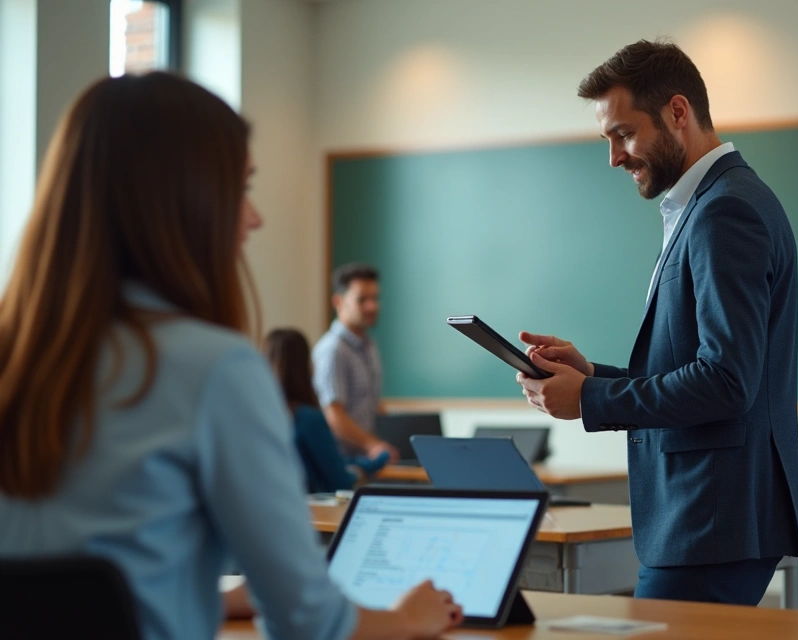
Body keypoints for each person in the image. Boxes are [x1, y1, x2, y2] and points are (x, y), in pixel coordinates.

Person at [0, 73, 460, 640]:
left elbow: (70, 594)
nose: (254, 217)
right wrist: (408, 617)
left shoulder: (16, 358)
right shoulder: (215, 369)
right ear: (180, 203)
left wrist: (207, 597)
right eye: (241, 189)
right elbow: (308, 624)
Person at [515, 40, 798, 606]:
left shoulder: (726, 210)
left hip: (711, 518)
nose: (614, 158)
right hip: (707, 517)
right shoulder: (706, 204)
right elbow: (692, 367)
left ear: (678, 112)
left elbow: (726, 381)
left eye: (624, 134)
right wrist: (591, 375)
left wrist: (592, 399)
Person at [264, 328, 390, 493]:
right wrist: (379, 459)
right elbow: (341, 480)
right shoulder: (308, 419)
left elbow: (333, 462)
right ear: (305, 365)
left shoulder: (264, 417)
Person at [312, 263, 397, 461]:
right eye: (362, 299)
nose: (372, 306)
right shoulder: (333, 350)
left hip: (368, 461)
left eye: (375, 298)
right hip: (342, 463)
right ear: (338, 302)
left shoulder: (369, 347)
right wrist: (372, 444)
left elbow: (371, 404)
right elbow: (333, 414)